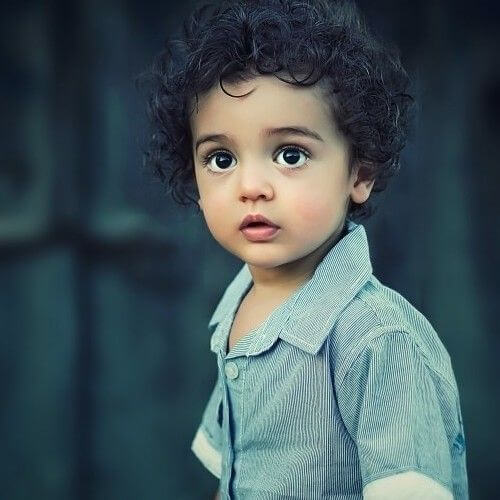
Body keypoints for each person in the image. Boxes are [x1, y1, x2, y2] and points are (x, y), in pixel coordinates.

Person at [138, 0, 469, 498]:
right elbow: (238, 470)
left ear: (359, 173)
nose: (251, 186)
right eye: (221, 158)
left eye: (290, 154)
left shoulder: (378, 342)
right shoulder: (238, 307)